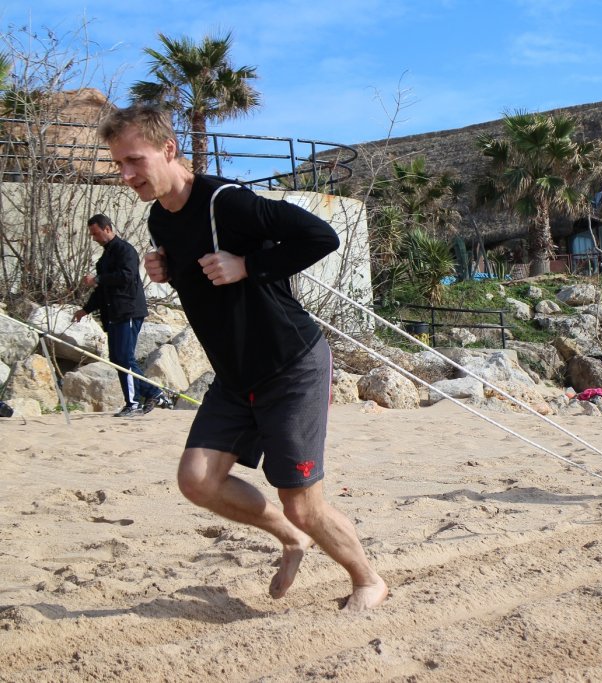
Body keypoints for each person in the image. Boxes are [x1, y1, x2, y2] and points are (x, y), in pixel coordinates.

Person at [98, 104, 388, 611]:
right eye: (118, 164)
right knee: (197, 480)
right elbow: (201, 271)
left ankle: (367, 580)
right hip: (233, 376)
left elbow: (321, 237)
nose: (125, 175)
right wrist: (166, 267)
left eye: (133, 161)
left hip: (289, 365)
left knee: (301, 502)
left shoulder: (225, 201)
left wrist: (248, 264)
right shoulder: (158, 219)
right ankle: (291, 539)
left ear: (168, 150)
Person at [74, 213, 173, 417]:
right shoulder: (104, 258)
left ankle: (134, 403)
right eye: (92, 234)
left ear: (107, 229)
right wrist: (86, 309)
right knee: (118, 358)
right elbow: (102, 291)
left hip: (127, 311)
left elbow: (127, 276)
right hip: (113, 313)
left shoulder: (125, 250)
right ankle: (154, 393)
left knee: (125, 358)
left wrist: (98, 279)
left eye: (96, 233)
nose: (94, 238)